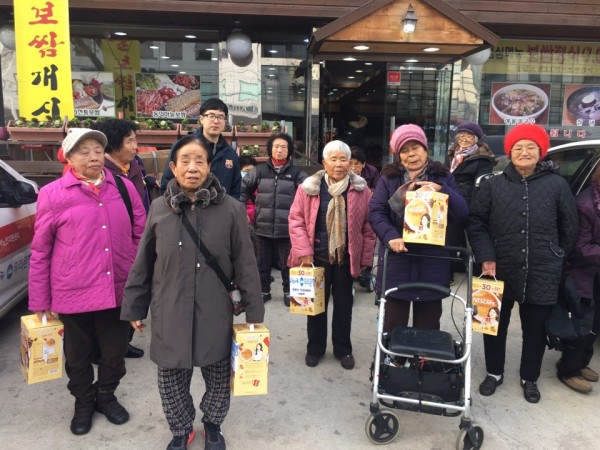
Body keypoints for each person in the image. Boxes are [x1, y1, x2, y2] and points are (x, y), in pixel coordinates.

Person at [121, 134, 264, 450]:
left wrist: (254, 313)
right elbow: (143, 261)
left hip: (215, 309)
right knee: (170, 379)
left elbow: (246, 263)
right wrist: (134, 307)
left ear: (209, 166)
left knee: (218, 376)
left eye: (199, 160)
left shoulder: (231, 209)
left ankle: (213, 424)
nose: (192, 167)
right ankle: (181, 428)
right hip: (170, 307)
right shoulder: (159, 208)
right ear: (173, 167)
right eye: (184, 161)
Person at [28, 128, 146, 436]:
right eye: (84, 152)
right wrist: (40, 300)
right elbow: (41, 250)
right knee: (78, 356)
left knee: (115, 352)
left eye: (97, 150)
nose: (93, 157)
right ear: (68, 158)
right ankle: (83, 401)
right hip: (72, 291)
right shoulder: (53, 194)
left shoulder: (122, 187)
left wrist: (134, 273)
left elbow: (141, 233)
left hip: (116, 287)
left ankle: (106, 395)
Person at [467, 123, 578, 403]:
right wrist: (486, 256)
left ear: (541, 152)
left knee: (535, 330)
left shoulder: (557, 185)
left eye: (531, 147)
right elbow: (476, 222)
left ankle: (530, 378)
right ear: (510, 152)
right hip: (496, 267)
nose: (524, 152)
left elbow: (569, 226)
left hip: (542, 268)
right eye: (518, 147)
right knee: (492, 324)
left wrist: (556, 255)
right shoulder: (493, 184)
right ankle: (494, 373)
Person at [368, 124, 468, 333]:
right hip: (397, 261)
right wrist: (391, 236)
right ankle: (392, 354)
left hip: (433, 262)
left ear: (426, 149)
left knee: (428, 328)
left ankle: (423, 354)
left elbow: (461, 214)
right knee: (393, 327)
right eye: (404, 150)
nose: (411, 154)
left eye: (415, 148)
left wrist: (443, 191)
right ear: (398, 155)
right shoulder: (389, 178)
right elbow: (376, 212)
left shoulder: (442, 177)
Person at [288, 140, 375, 370]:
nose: (338, 164)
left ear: (350, 163)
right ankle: (315, 348)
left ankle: (343, 349)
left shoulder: (361, 190)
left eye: (343, 159)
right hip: (316, 258)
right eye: (333, 159)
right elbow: (296, 220)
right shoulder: (308, 188)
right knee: (316, 307)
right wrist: (304, 252)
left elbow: (368, 227)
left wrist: (365, 258)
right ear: (324, 163)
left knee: (344, 307)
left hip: (346, 259)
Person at [91, 118, 148, 359]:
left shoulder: (133, 166)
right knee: (112, 298)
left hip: (135, 237)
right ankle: (102, 348)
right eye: (130, 141)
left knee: (130, 291)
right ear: (114, 144)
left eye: (136, 140)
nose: (135, 146)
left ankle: (124, 341)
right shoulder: (102, 172)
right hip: (113, 243)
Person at [241, 133, 308, 305]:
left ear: (289, 151)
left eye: (283, 147)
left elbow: (308, 192)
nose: (279, 150)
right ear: (270, 149)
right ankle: (263, 291)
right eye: (276, 146)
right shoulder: (259, 171)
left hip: (287, 228)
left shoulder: (296, 173)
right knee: (262, 263)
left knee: (288, 263)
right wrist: (242, 210)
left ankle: (289, 292)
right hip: (262, 226)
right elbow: (243, 188)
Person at [557, 164, 600, 393]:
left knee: (595, 323)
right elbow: (579, 248)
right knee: (581, 322)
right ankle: (568, 369)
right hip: (583, 272)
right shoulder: (586, 204)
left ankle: (582, 363)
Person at [160, 98, 241, 199]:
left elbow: (235, 191)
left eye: (221, 117)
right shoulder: (182, 147)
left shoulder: (230, 153)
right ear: (201, 119)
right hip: (187, 206)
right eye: (211, 116)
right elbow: (167, 184)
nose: (216, 121)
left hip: (220, 208)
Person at [446, 121, 495, 280]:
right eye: (461, 135)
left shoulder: (483, 158)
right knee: (450, 236)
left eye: (468, 136)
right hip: (450, 198)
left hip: (467, 201)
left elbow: (482, 185)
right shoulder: (453, 153)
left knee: (459, 236)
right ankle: (451, 270)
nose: (464, 139)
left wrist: (473, 205)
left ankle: (454, 273)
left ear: (476, 139)